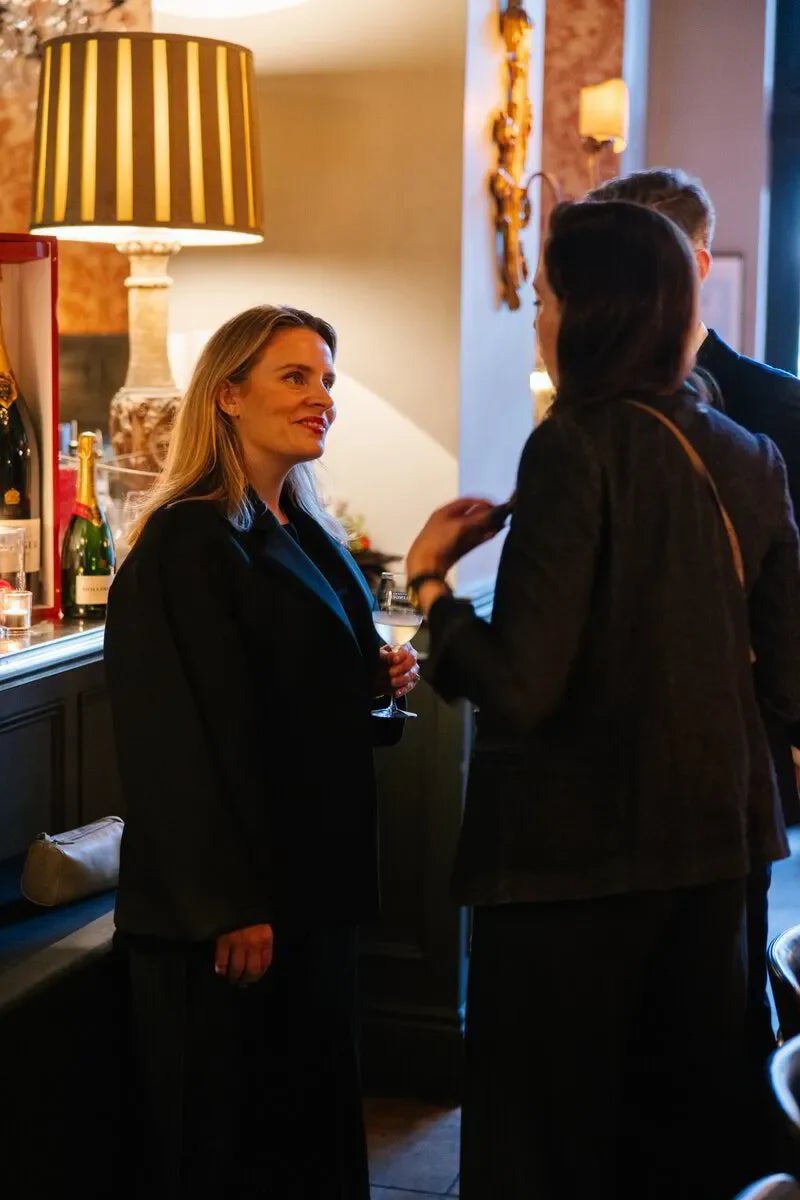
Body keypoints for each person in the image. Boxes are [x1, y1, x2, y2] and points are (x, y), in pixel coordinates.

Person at [405, 202, 800, 1199]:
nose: (535, 317)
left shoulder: (574, 446)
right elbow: (789, 684)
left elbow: (522, 686)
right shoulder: (748, 456)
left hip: (572, 875)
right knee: (679, 1148)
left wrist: (431, 593)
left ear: (587, 312)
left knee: (550, 1151)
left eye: (541, 297)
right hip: (718, 861)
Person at [104, 304, 419, 1199]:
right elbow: (176, 742)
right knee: (232, 1153)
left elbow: (305, 699)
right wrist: (227, 905)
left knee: (307, 1139)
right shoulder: (184, 545)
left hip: (313, 893)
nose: (322, 398)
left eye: (327, 380)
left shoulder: (307, 531)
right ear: (229, 394)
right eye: (296, 377)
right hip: (234, 918)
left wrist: (377, 685)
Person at [587, 167, 800, 1169]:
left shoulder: (775, 410)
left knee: (718, 1006)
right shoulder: (586, 411)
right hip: (604, 775)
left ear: (691, 267)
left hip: (732, 758)